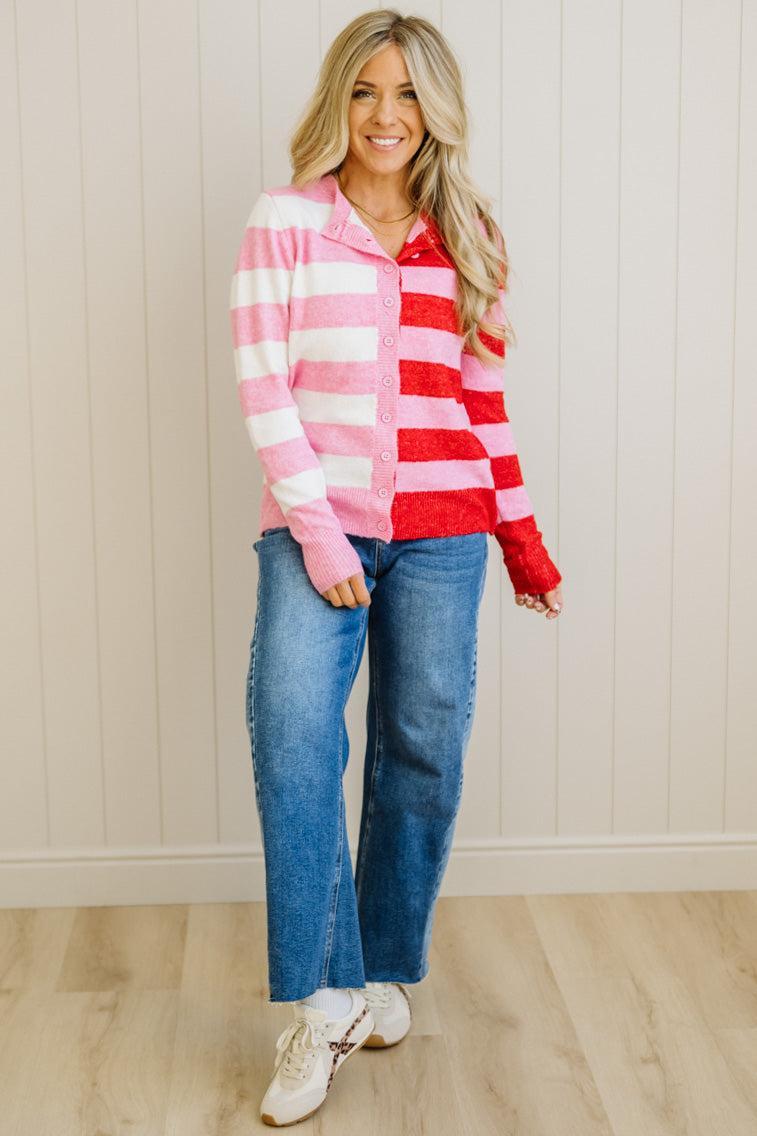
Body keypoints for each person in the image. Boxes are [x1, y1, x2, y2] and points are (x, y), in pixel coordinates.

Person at [228, 8, 564, 1126]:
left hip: (443, 532)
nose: (386, 114)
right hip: (314, 526)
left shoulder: (468, 232)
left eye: (407, 93)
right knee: (292, 736)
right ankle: (320, 1000)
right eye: (366, 91)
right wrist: (322, 538)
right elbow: (264, 385)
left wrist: (522, 541)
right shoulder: (286, 221)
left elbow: (484, 406)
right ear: (339, 101)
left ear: (436, 109)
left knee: (421, 744)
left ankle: (375, 973)